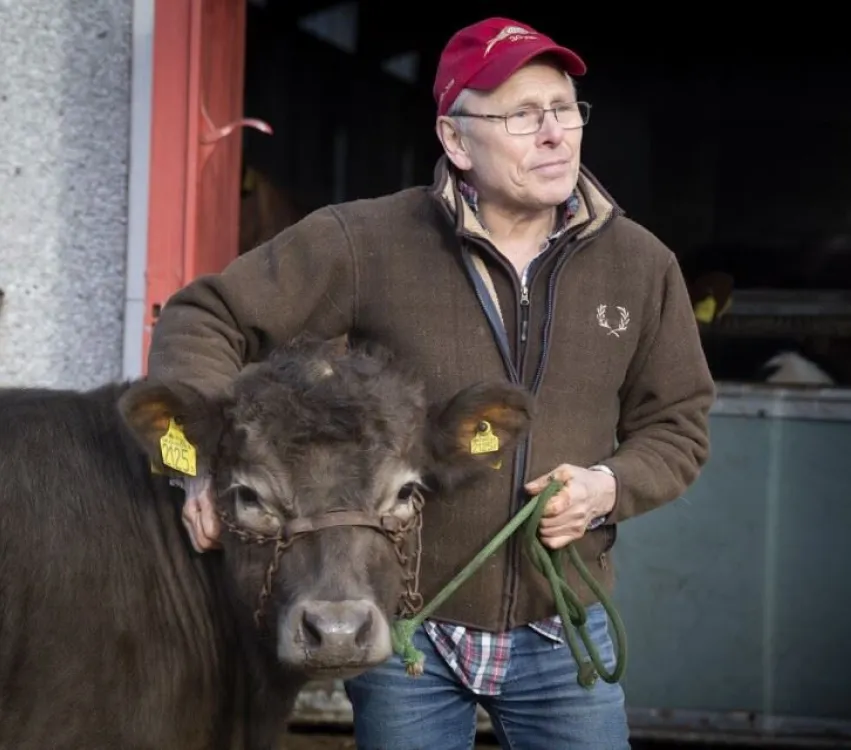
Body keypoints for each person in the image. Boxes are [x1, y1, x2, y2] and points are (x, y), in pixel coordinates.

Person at [146, 15, 715, 750]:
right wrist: (204, 470)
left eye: (565, 108)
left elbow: (679, 424)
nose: (555, 133)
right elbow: (206, 314)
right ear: (456, 140)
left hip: (561, 621)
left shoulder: (641, 265)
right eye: (522, 114)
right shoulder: (365, 241)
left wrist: (609, 485)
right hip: (408, 631)